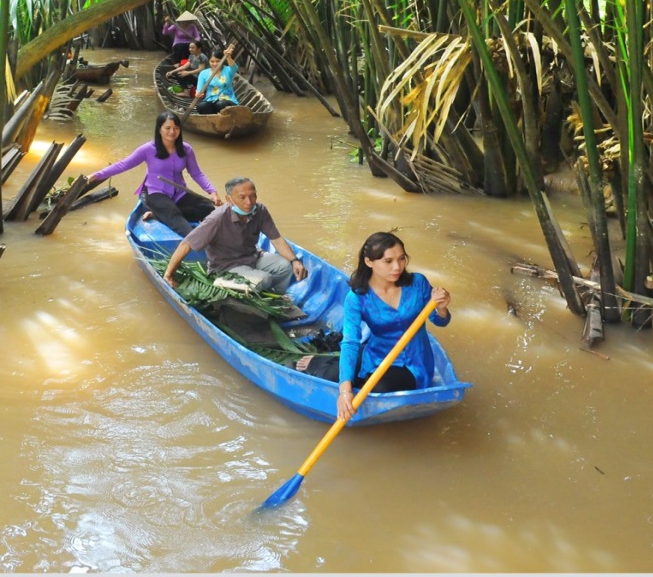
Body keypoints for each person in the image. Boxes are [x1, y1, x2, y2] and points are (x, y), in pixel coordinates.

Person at [297, 231, 451, 420]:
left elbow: (439, 321)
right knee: (331, 378)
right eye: (388, 261)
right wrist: (345, 392)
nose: (397, 267)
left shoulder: (417, 283)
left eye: (401, 259)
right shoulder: (357, 297)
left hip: (413, 361)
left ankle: (352, 372)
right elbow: (351, 341)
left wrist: (442, 308)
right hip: (376, 354)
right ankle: (321, 362)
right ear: (369, 262)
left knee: (380, 389)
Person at [87, 111, 222, 236]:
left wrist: (212, 191)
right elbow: (124, 164)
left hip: (179, 192)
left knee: (207, 209)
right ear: (159, 129)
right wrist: (96, 175)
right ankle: (194, 240)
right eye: (167, 128)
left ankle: (158, 214)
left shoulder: (186, 149)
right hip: (155, 192)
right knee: (175, 216)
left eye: (176, 128)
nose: (172, 132)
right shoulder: (148, 149)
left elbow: (196, 173)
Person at [163, 176, 308, 293]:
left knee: (284, 266)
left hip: (252, 257)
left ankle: (273, 295)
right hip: (227, 266)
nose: (249, 202)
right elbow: (186, 244)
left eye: (253, 196)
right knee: (264, 278)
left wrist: (294, 260)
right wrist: (169, 274)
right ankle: (226, 283)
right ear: (229, 199)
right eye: (242, 197)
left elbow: (276, 239)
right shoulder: (217, 219)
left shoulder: (260, 211)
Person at [195, 43, 239, 114]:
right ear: (209, 61)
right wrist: (198, 94)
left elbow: (234, 67)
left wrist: (228, 57)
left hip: (227, 100)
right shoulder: (203, 73)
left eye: (218, 61)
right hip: (210, 101)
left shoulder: (228, 70)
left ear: (222, 61)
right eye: (212, 61)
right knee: (201, 106)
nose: (215, 64)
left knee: (220, 104)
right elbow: (199, 90)